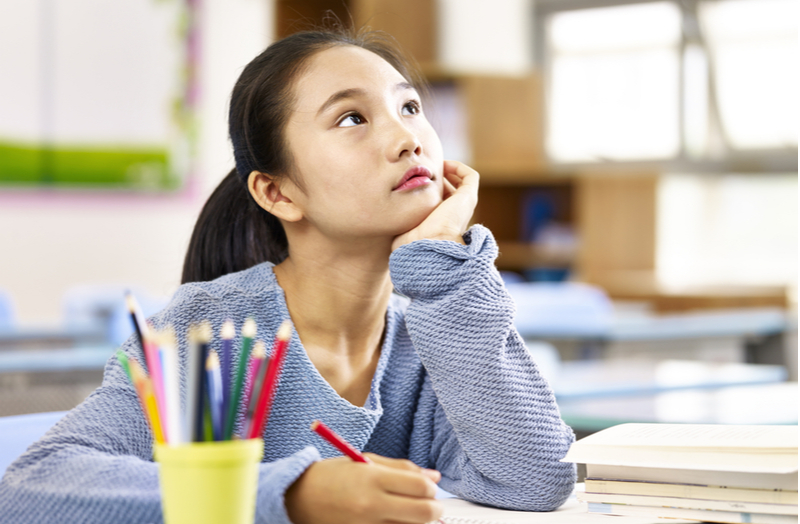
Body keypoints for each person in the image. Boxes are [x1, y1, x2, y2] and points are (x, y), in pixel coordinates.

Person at [0, 27, 576, 524]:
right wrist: (290, 495)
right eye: (353, 118)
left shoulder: (436, 334)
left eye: (409, 108)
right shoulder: (208, 329)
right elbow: (30, 488)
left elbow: (534, 479)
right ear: (278, 192)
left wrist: (446, 268)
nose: (408, 139)